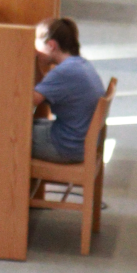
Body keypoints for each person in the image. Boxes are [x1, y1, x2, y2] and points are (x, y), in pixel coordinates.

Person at [32, 17, 104, 165]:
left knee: (8, 134)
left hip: (67, 147)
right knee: (34, 123)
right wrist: (36, 61)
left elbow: (31, 101)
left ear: (51, 45)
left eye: (37, 47)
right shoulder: (80, 64)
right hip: (81, 142)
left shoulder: (63, 72)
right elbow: (44, 87)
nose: (36, 51)